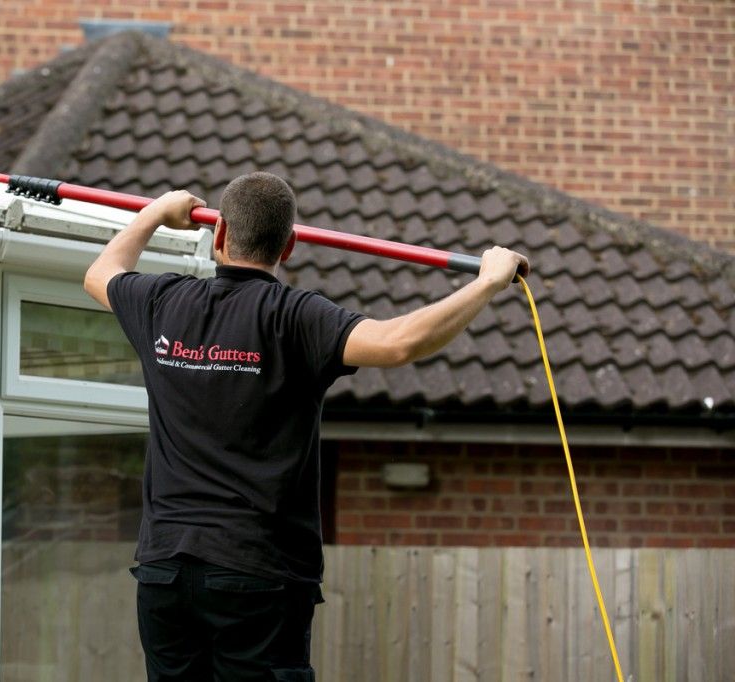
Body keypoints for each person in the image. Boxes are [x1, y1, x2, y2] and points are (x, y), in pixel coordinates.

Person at [84, 172, 528, 682]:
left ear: (220, 235)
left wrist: (157, 213)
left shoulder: (164, 303)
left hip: (164, 571)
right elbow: (398, 342)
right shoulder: (296, 317)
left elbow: (101, 272)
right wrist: (487, 282)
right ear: (289, 246)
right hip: (256, 576)